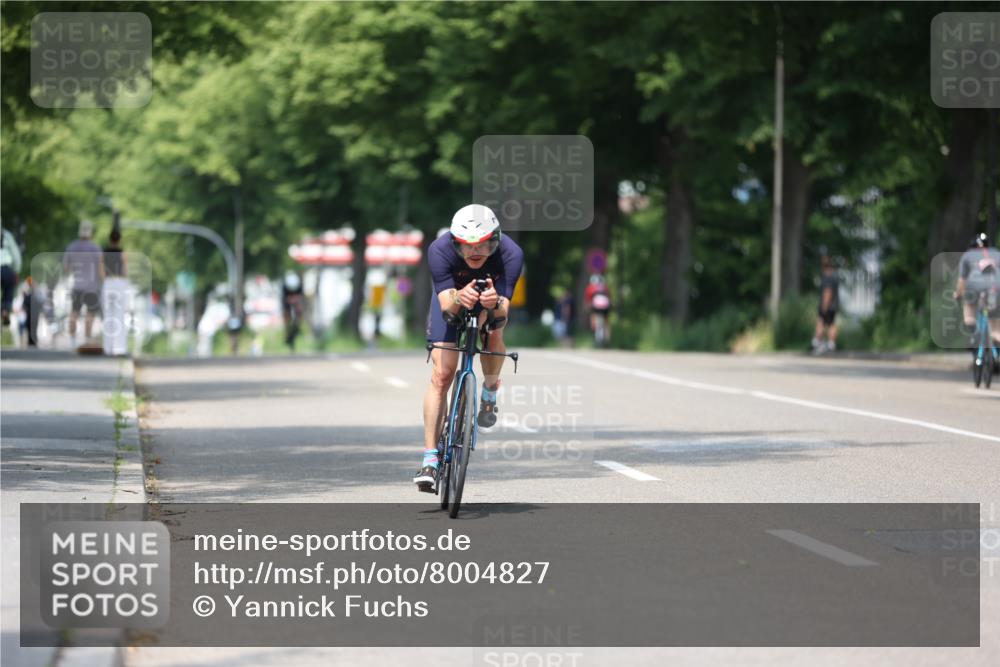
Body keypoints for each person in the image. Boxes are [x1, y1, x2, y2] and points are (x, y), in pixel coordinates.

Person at [414, 204, 524, 491]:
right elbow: (447, 309)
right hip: (452, 300)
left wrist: (495, 303)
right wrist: (460, 298)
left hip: (491, 301)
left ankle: (488, 391)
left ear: (496, 241)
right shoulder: (439, 251)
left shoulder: (511, 254)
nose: (476, 253)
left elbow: (503, 314)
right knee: (442, 375)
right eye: (466, 247)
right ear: (454, 244)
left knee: (494, 332)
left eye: (485, 246)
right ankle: (430, 459)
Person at [954, 233, 1000, 355]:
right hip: (996, 287)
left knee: (969, 308)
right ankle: (996, 338)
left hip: (974, 286)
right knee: (995, 329)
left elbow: (962, 281)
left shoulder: (968, 255)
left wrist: (958, 294)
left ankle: (973, 337)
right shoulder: (997, 253)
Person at [64, 219, 104, 343]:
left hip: (77, 286)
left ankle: (72, 339)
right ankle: (87, 338)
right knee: (90, 314)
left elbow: (66, 268)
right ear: (90, 233)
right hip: (92, 287)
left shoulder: (71, 247)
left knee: (74, 312)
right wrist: (104, 282)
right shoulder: (95, 248)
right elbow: (100, 268)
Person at [102, 228, 129, 355]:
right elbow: (125, 269)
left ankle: (108, 348)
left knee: (108, 315)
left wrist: (104, 280)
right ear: (119, 240)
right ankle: (120, 348)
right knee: (119, 315)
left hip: (108, 282)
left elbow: (100, 268)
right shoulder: (122, 252)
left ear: (109, 239)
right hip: (119, 282)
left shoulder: (104, 252)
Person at [812, 255, 839, 354]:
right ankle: (832, 345)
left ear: (823, 266)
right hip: (834, 306)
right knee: (831, 324)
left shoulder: (827, 277)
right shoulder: (834, 276)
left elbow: (827, 292)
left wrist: (824, 306)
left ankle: (817, 344)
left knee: (820, 323)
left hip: (827, 305)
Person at [1, 224, 21, 328]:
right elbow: (15, 254)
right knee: (8, 291)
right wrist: (16, 271)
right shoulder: (7, 235)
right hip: (6, 269)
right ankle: (5, 311)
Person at [584, 274, 612, 345]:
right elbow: (609, 297)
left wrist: (587, 307)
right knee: (606, 321)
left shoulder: (590, 287)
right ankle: (607, 336)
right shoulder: (605, 287)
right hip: (606, 306)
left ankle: (594, 328)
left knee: (593, 316)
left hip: (596, 306)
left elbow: (588, 299)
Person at [281, 270, 305, 351]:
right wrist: (289, 300)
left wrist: (296, 301)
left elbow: (301, 297)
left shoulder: (299, 286)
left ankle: (298, 324)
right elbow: (283, 299)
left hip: (296, 301)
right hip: (287, 302)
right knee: (286, 313)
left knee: (299, 309)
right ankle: (287, 330)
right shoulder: (284, 287)